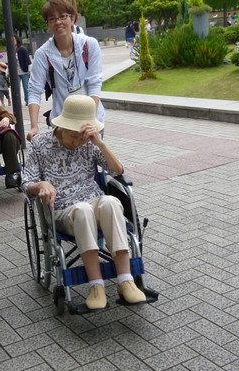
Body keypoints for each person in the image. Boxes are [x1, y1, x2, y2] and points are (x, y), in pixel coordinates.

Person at [22, 96, 146, 309]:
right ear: (61, 126)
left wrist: (99, 142)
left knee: (111, 202)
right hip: (62, 210)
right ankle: (96, 285)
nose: (79, 142)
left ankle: (125, 280)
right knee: (82, 210)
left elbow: (117, 170)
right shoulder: (39, 144)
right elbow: (26, 182)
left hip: (94, 200)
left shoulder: (89, 141)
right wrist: (41, 184)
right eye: (74, 136)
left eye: (84, 137)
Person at [26, 0, 105, 140]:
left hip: (92, 119)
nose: (58, 22)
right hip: (62, 123)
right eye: (52, 19)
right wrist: (34, 126)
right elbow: (34, 90)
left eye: (63, 16)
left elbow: (94, 83)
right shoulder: (43, 54)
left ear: (72, 19)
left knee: (93, 160)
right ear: (48, 24)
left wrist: (90, 120)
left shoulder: (89, 45)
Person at [15, 36, 32, 105]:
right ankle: (17, 101)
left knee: (26, 87)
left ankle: (27, 100)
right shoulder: (11, 50)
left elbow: (27, 60)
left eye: (14, 39)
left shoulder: (22, 49)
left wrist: (29, 70)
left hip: (24, 71)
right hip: (16, 72)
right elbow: (9, 62)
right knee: (16, 87)